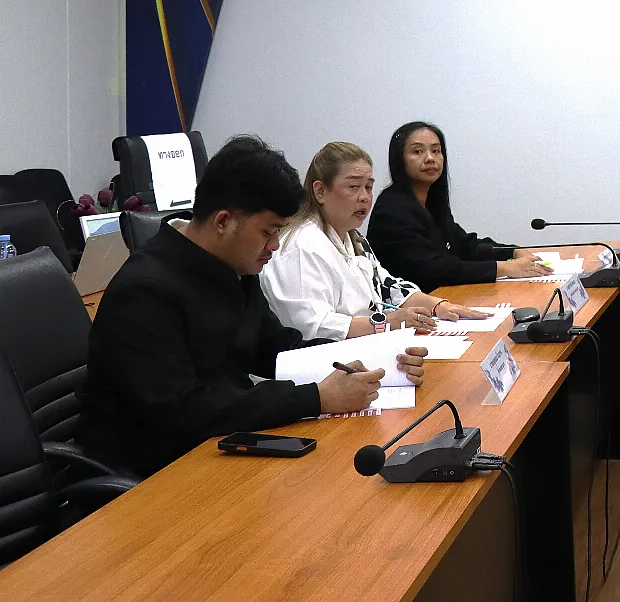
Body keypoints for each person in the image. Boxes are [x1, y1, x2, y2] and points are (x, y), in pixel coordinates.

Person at [78, 136, 427, 477]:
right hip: (155, 470)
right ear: (223, 222)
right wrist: (317, 398)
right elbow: (184, 410)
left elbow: (278, 349)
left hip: (217, 444)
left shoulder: (234, 268)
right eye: (268, 232)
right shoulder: (145, 291)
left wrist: (379, 360)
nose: (275, 245)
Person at [262, 142, 490, 340]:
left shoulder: (353, 238)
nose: (364, 197)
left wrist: (438, 306)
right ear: (320, 191)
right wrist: (386, 323)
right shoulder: (301, 246)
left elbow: (387, 286)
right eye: (353, 186)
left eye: (369, 187)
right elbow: (310, 327)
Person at [366, 121, 553, 290]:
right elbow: (433, 269)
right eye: (417, 152)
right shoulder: (392, 209)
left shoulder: (431, 203)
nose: (430, 158)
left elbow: (465, 245)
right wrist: (505, 268)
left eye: (436, 151)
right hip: (410, 308)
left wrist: (513, 251)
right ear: (399, 160)